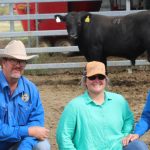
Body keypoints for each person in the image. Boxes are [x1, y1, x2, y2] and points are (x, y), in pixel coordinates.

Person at [56, 61, 148, 150]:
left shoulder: (119, 101)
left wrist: (124, 136)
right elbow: (64, 136)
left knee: (138, 147)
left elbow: (129, 120)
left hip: (117, 148)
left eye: (100, 77)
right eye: (92, 77)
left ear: (106, 80)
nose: (97, 80)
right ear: (85, 81)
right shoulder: (74, 106)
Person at [0, 40, 50, 150]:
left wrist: (25, 147)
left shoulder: (31, 89)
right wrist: (28, 131)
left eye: (22, 61)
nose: (18, 65)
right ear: (3, 62)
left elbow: (36, 122)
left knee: (43, 146)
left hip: (20, 143)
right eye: (14, 60)